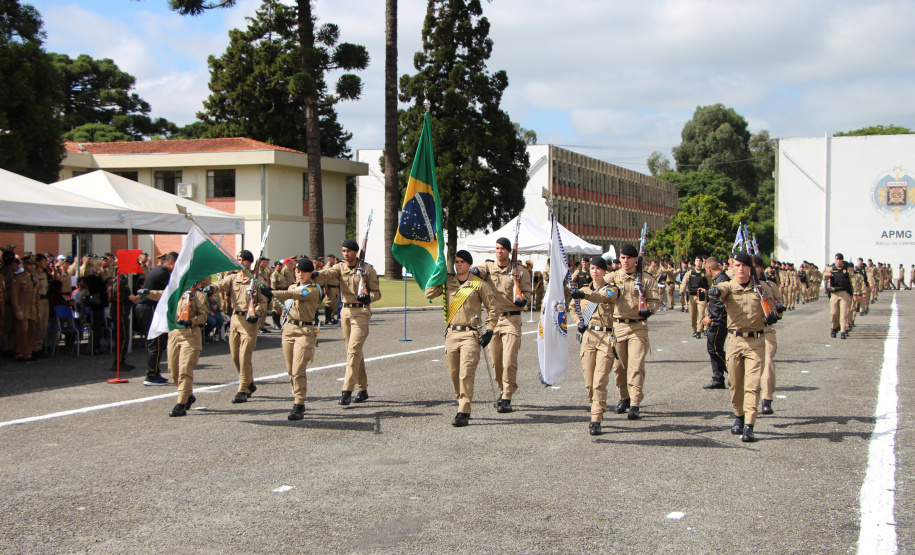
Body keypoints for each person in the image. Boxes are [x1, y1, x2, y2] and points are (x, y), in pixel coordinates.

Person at [704, 251, 775, 442]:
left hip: (755, 342)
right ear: (732, 268)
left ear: (750, 267)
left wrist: (773, 314)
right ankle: (739, 416)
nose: (741, 268)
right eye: (737, 265)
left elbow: (774, 308)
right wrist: (714, 291)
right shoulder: (729, 285)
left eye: (744, 265)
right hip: (735, 341)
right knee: (735, 384)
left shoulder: (762, 288)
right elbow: (721, 289)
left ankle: (749, 425)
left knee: (752, 385)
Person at [424, 250, 495, 427]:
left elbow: (493, 308)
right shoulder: (448, 281)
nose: (459, 264)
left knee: (466, 373)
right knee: (454, 373)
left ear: (469, 264)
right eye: (456, 261)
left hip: (470, 334)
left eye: (462, 261)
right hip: (452, 334)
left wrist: (490, 330)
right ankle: (461, 401)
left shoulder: (479, 284)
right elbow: (429, 293)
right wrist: (437, 273)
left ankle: (463, 409)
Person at [469, 237, 532, 413]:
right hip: (494, 320)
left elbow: (528, 293)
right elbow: (478, 270)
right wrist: (474, 270)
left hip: (512, 319)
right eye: (497, 248)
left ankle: (507, 397)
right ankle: (502, 389)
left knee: (509, 360)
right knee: (496, 361)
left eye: (503, 248)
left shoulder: (520, 271)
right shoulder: (489, 267)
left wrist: (524, 300)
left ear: (509, 251)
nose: (499, 251)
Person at [315, 239, 381, 406]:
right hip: (345, 313)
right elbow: (326, 274)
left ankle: (346, 391)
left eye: (349, 251)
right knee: (354, 352)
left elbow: (377, 293)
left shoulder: (367, 270)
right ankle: (362, 389)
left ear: (356, 252)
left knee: (353, 351)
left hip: (361, 312)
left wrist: (368, 297)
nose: (346, 254)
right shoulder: (340, 267)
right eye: (343, 251)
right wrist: (313, 273)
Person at [605, 243, 661, 420]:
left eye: (629, 258)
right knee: (619, 367)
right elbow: (599, 287)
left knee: (636, 367)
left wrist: (649, 310)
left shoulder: (646, 278)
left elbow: (655, 300)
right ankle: (624, 398)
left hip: (638, 327)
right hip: (618, 326)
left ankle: (635, 404)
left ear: (636, 259)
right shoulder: (613, 276)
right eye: (622, 258)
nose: (625, 261)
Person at [212, 250, 270, 403]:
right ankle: (249, 382)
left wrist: (257, 313)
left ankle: (243, 389)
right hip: (235, 319)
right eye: (238, 260)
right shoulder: (233, 277)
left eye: (243, 260)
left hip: (249, 321)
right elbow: (220, 284)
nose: (240, 262)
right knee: (235, 356)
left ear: (250, 262)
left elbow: (263, 302)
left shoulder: (257, 280)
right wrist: (211, 288)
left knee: (244, 356)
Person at [569, 256, 619, 435]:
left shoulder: (612, 289)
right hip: (588, 336)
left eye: (598, 268)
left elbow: (601, 297)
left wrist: (583, 295)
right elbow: (573, 307)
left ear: (604, 271)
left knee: (599, 381)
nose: (595, 271)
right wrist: (578, 322)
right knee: (589, 383)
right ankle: (595, 408)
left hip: (605, 336)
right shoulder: (583, 290)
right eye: (592, 268)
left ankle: (596, 418)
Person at [144, 281, 208, 417]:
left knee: (185, 369)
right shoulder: (176, 292)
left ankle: (181, 404)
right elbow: (162, 294)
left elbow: (203, 317)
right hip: (174, 333)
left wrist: (191, 321)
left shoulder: (199, 295)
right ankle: (188, 395)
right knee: (173, 370)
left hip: (190, 334)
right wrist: (148, 293)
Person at [270, 258, 323, 420]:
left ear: (311, 273)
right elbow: (289, 297)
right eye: (298, 271)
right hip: (289, 329)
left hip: (304, 331)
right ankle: (296, 396)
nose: (300, 274)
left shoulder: (312, 290)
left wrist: (271, 292)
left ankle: (299, 403)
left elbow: (294, 295)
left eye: (304, 272)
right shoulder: (293, 286)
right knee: (290, 370)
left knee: (298, 369)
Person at [135, 252, 177, 385]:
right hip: (149, 308)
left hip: (147, 307)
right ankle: (151, 375)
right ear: (171, 262)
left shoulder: (159, 270)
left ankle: (155, 372)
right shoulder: (162, 274)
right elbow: (173, 290)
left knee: (158, 342)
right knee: (156, 342)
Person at [754, 255, 782, 416]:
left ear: (761, 269)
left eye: (755, 266)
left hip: (765, 331)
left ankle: (766, 399)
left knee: (768, 362)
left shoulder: (769, 286)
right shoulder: (738, 286)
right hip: (745, 333)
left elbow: (779, 311)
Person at [700, 257, 728, 390]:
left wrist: (711, 316)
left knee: (714, 349)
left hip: (719, 320)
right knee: (713, 348)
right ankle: (718, 378)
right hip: (717, 319)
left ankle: (735, 371)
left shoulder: (722, 280)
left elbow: (722, 303)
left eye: (706, 270)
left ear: (709, 269)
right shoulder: (718, 279)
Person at [10, 257, 39, 363]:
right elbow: (14, 296)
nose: (32, 267)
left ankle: (28, 353)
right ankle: (19, 353)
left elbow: (37, 297)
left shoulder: (35, 279)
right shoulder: (18, 278)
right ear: (25, 265)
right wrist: (17, 310)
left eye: (34, 264)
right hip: (22, 309)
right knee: (23, 330)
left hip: (32, 310)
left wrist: (38, 311)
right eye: (30, 264)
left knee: (32, 331)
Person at [110, 274, 138, 371]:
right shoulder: (119, 279)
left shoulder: (123, 279)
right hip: (120, 313)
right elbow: (115, 296)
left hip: (123, 312)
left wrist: (131, 299)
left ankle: (121, 360)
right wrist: (128, 297)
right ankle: (118, 362)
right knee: (122, 337)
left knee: (124, 337)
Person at [823, 253, 853, 339]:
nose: (838, 261)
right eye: (837, 259)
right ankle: (834, 327)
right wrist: (827, 275)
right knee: (834, 313)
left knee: (844, 313)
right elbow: (824, 276)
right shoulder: (831, 268)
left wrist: (855, 293)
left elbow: (853, 281)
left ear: (842, 260)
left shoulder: (847, 269)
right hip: (834, 293)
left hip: (844, 293)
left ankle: (843, 331)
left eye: (840, 259)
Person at [682, 256, 709, 338]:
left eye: (700, 261)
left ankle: (699, 331)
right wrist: (682, 291)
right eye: (697, 260)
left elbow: (710, 283)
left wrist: (708, 292)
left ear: (702, 262)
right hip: (692, 296)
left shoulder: (705, 273)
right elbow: (684, 282)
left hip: (701, 296)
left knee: (701, 314)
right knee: (692, 315)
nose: (698, 262)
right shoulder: (690, 272)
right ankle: (694, 329)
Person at [270, 259, 289, 329]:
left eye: (281, 266)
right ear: (275, 266)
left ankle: (278, 323)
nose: (280, 267)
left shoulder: (281, 274)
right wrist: (274, 293)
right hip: (277, 292)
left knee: (280, 309)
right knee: (276, 308)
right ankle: (275, 323)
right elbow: (273, 284)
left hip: (282, 292)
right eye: (279, 266)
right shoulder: (274, 274)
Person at [322, 254, 341, 324]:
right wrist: (326, 289)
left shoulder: (334, 267)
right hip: (330, 287)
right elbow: (325, 279)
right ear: (330, 259)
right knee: (329, 303)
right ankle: (328, 319)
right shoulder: (326, 268)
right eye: (333, 259)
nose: (334, 260)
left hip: (336, 287)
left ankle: (332, 317)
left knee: (335, 303)